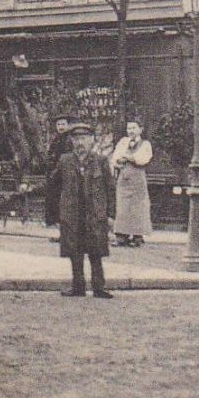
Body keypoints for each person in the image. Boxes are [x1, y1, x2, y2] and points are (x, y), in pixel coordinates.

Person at [46, 122, 115, 299]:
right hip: (72, 214)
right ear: (71, 141)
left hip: (94, 214)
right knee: (75, 253)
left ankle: (99, 287)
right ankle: (78, 287)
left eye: (84, 138)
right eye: (76, 139)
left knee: (96, 253)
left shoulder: (100, 161)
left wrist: (111, 215)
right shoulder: (65, 160)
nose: (80, 143)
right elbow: (52, 184)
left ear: (91, 140)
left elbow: (110, 189)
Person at [110, 119, 154, 249]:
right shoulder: (123, 142)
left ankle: (137, 236)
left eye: (134, 128)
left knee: (138, 207)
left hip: (138, 178)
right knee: (123, 206)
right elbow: (116, 157)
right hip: (124, 177)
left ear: (140, 129)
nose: (131, 131)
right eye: (129, 128)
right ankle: (121, 236)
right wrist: (121, 160)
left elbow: (142, 159)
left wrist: (129, 157)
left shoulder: (145, 144)